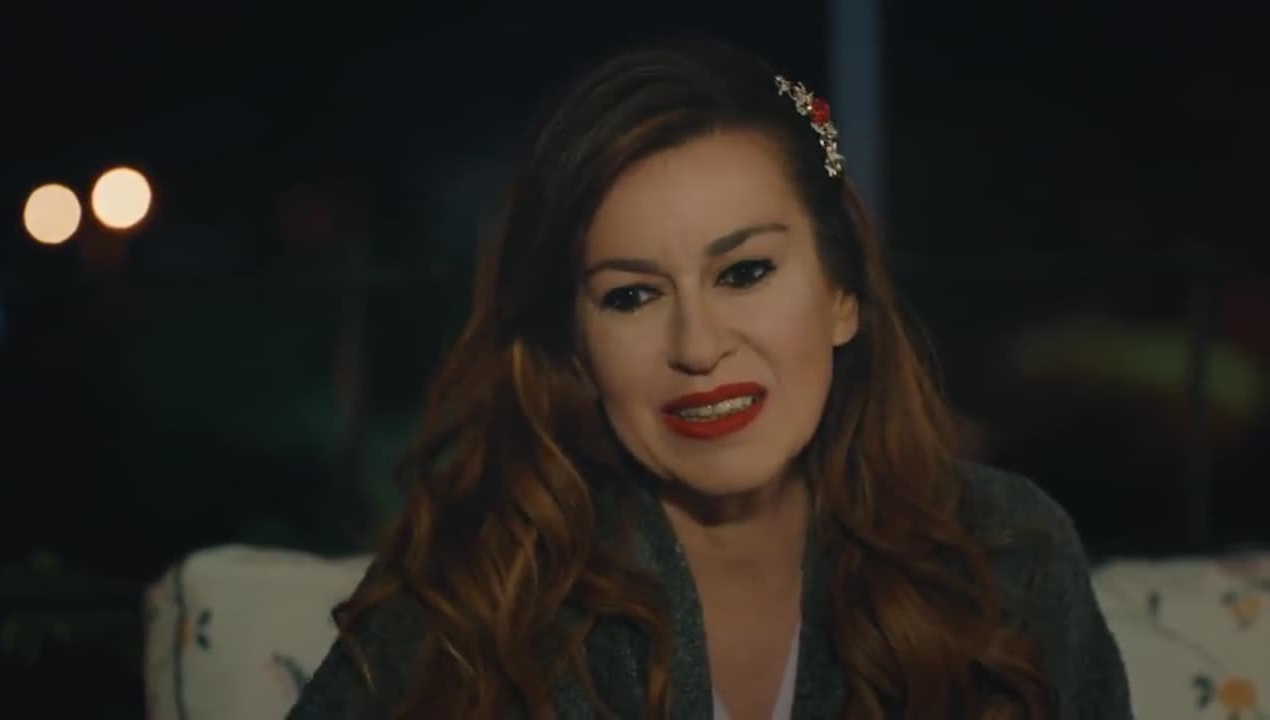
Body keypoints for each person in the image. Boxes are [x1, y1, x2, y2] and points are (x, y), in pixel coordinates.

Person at [289, 34, 1132, 720]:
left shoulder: (1006, 552)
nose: (697, 346)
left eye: (744, 273)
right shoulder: (475, 584)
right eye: (631, 296)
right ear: (578, 347)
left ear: (841, 296)